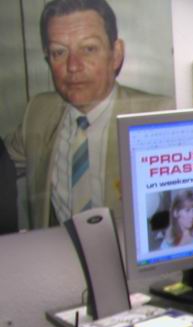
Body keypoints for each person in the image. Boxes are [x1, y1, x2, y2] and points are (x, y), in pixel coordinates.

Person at [3, 0, 173, 231]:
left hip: (126, 253)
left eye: (89, 49)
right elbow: (4, 161)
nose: (73, 66)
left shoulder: (159, 116)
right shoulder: (38, 112)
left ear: (116, 54)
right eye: (59, 52)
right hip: (57, 250)